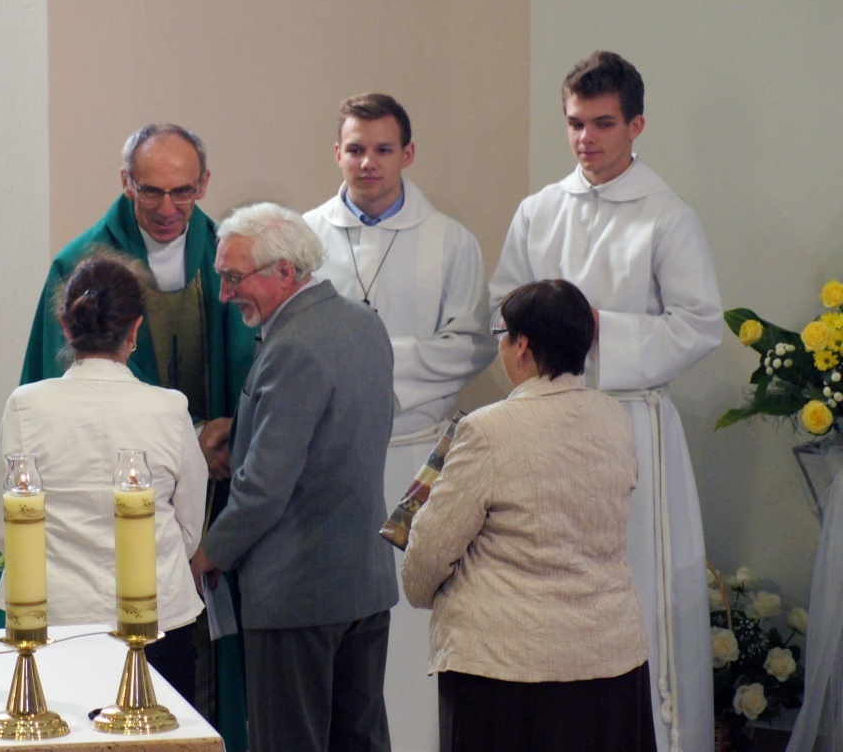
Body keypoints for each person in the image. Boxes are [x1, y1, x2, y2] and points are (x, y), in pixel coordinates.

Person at [488, 51, 723, 752]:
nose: (585, 139)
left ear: (636, 125)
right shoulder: (539, 210)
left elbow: (699, 324)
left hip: (629, 422)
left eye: (602, 124)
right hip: (546, 425)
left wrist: (595, 331)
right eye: (574, 124)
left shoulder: (666, 216)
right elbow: (504, 309)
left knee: (634, 586)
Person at [6, 123, 253, 750]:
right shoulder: (81, 266)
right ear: (126, 183)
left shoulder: (227, 258)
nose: (168, 209)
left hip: (219, 475)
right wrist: (190, 441)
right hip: (146, 514)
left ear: (204, 184)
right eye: (152, 191)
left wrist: (234, 436)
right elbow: (73, 394)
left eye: (183, 191)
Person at [303, 93, 496, 749]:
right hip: (332, 462)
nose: (369, 162)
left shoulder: (450, 240)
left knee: (412, 623)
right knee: (342, 619)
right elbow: (289, 344)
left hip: (417, 457)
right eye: (356, 149)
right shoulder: (305, 237)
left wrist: (371, 368)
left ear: (407, 154)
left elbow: (470, 345)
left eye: (383, 149)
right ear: (337, 153)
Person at [402, 279, 654, 752]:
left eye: (502, 334)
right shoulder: (614, 418)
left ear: (522, 346)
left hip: (506, 669)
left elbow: (432, 550)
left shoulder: (487, 430)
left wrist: (418, 591)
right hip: (608, 656)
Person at [190, 202, 399, 752]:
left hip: (297, 594)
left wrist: (209, 553)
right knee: (360, 742)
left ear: (284, 271)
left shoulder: (291, 346)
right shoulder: (363, 323)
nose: (225, 295)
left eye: (234, 278)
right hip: (364, 583)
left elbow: (264, 488)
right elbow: (347, 433)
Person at [0, 254, 207, 705]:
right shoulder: (170, 409)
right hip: (157, 622)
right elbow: (187, 532)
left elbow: (2, 531)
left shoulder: (26, 406)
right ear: (136, 330)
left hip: (54, 619)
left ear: (65, 325)